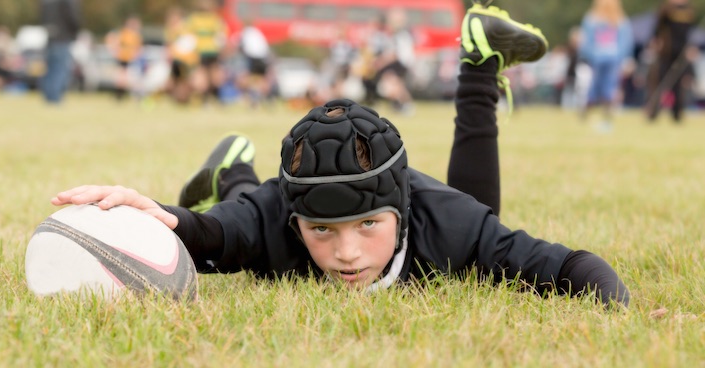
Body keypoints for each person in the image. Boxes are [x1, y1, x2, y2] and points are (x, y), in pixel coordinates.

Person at [51, 4, 630, 307]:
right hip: (263, 205)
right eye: (322, 230)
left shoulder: (446, 221)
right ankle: (236, 168)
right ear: (295, 216)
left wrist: (620, 314)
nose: (347, 253)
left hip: (447, 216)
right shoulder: (274, 218)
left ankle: (478, 62)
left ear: (402, 211)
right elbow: (207, 233)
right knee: (244, 222)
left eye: (368, 225)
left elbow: (570, 268)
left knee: (479, 229)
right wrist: (149, 211)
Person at [578, 0, 634, 132]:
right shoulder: (620, 20)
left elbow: (585, 42)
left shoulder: (592, 19)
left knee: (596, 87)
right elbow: (626, 42)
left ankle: (587, 115)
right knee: (608, 88)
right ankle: (605, 119)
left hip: (601, 58)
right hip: (610, 59)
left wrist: (589, 55)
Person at [645, 0, 697, 123]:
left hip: (681, 53)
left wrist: (691, 48)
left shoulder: (689, 10)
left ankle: (677, 115)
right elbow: (657, 29)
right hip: (666, 53)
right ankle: (652, 112)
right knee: (660, 81)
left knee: (679, 85)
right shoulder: (666, 9)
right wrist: (656, 43)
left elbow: (690, 33)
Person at [40, 0, 81, 104]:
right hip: (63, 38)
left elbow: (43, 19)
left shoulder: (46, 2)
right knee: (60, 69)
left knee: (50, 70)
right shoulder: (66, 2)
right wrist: (75, 33)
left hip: (50, 38)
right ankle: (56, 98)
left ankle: (49, 97)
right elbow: (72, 18)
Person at [105, 15, 143, 101]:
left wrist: (135, 55)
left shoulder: (135, 35)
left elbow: (138, 48)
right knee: (121, 79)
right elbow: (115, 42)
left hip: (131, 60)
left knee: (130, 79)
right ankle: (119, 96)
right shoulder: (124, 34)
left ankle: (134, 96)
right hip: (123, 59)